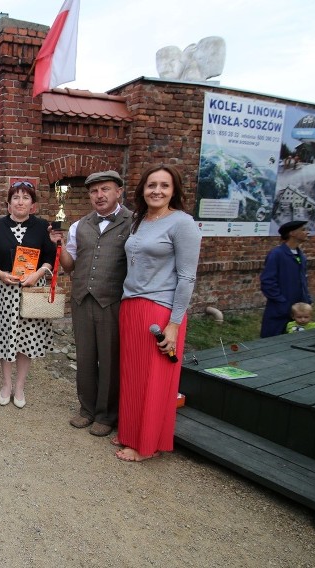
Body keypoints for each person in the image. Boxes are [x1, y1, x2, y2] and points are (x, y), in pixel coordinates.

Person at [114, 165, 202, 462]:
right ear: (143, 189)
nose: (157, 191)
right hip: (132, 304)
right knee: (133, 374)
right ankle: (130, 433)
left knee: (154, 380)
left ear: (174, 190)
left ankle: (146, 445)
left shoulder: (183, 223)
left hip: (160, 309)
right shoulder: (141, 220)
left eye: (164, 185)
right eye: (152, 185)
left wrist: (175, 325)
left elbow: (187, 277)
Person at [57, 170, 131, 437]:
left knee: (110, 359)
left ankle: (106, 414)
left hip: (113, 300)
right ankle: (87, 409)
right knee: (86, 357)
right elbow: (69, 266)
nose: (99, 195)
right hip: (82, 299)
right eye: (94, 191)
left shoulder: (133, 222)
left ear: (118, 191)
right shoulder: (80, 225)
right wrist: (60, 246)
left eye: (105, 189)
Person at [0, 181, 57, 409]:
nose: (20, 202)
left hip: (31, 291)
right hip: (5, 291)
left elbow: (50, 256)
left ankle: (20, 386)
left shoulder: (42, 227)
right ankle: (6, 384)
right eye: (16, 197)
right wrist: (0, 274)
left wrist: (39, 274)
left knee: (26, 340)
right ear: (8, 203)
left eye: (26, 197)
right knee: (6, 338)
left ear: (32, 205)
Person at [260, 220, 311, 338]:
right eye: (303, 230)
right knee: (273, 340)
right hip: (280, 310)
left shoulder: (301, 256)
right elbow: (268, 282)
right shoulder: (276, 254)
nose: (307, 232)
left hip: (299, 310)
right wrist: (281, 301)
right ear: (292, 233)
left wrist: (307, 300)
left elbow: (303, 280)